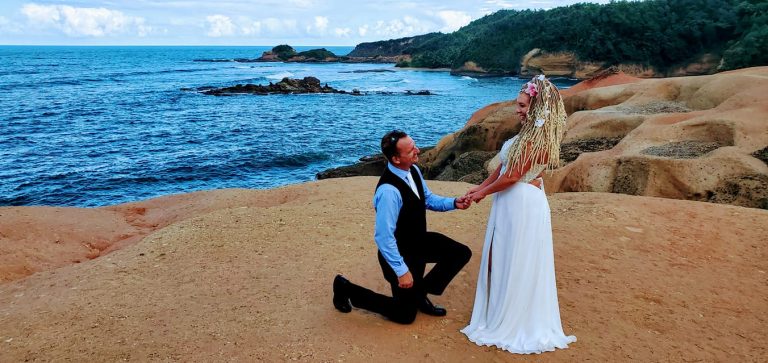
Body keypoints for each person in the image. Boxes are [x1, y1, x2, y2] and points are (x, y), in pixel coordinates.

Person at [460, 75, 577, 353]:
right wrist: (478, 188)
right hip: (509, 202)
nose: (518, 110)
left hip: (523, 204)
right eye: (518, 104)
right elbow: (501, 170)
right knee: (499, 257)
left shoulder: (539, 139)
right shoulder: (524, 136)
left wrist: (481, 195)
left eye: (523, 106)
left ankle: (512, 321)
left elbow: (513, 176)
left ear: (537, 107)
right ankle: (497, 312)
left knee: (515, 259)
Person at [332, 130, 472, 324]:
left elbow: (428, 199)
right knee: (404, 316)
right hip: (399, 255)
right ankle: (344, 288)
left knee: (460, 253)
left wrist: (454, 202)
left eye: (414, 145)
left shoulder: (412, 170)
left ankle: (418, 293)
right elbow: (384, 237)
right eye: (411, 150)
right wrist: (401, 271)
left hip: (419, 243)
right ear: (396, 159)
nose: (418, 150)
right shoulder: (388, 192)